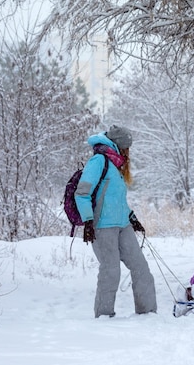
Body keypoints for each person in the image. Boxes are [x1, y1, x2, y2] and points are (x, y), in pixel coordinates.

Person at [75, 125, 157, 318]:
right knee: (111, 271)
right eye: (127, 148)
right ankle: (104, 316)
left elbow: (115, 199)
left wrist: (131, 217)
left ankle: (148, 314)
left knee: (140, 267)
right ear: (118, 145)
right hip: (102, 227)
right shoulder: (99, 161)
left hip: (122, 224)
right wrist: (88, 221)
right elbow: (82, 193)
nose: (129, 152)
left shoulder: (116, 164)